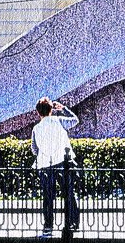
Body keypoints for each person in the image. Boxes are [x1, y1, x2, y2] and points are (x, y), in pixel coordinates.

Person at [31, 97, 80, 235]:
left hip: (45, 165)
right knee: (68, 193)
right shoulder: (59, 121)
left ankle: (48, 227)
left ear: (38, 112)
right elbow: (75, 120)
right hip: (63, 163)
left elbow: (34, 148)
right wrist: (63, 109)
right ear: (51, 110)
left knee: (48, 197)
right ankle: (73, 223)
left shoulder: (36, 128)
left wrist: (43, 153)